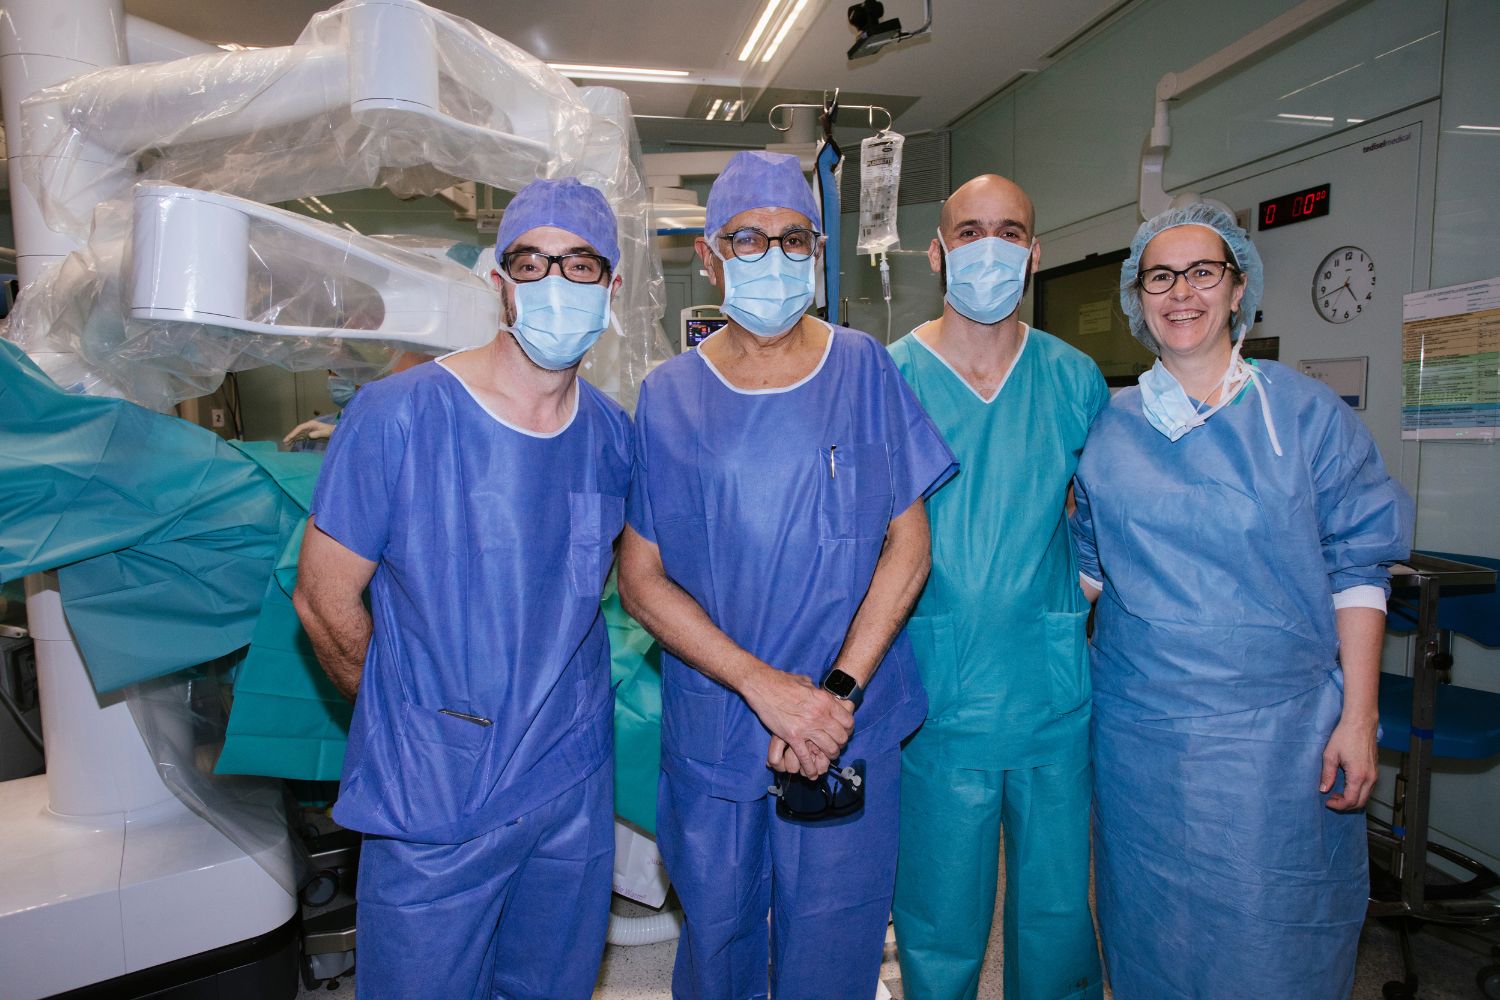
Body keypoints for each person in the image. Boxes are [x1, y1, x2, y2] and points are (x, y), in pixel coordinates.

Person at [617, 150, 957, 1000]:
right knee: (720, 933)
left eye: (793, 239)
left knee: (832, 941)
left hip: (845, 724)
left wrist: (832, 696)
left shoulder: (865, 368)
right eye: (748, 239)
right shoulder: (667, 395)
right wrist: (767, 691)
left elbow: (906, 547)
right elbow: (642, 576)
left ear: (817, 251)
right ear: (709, 255)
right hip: (722, 722)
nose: (773, 257)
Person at [293, 177, 633, 1000]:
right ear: (500, 283)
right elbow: (323, 600)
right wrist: (407, 720)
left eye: (579, 264)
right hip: (436, 798)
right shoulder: (399, 415)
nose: (555, 282)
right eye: (531, 262)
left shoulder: (614, 434)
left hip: (568, 788)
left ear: (612, 286)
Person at [1069, 203, 1414, 999]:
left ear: (1237, 289)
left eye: (1202, 272)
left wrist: (1358, 720)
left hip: (1276, 739)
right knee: (1147, 928)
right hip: (1139, 735)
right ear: (1138, 295)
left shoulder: (1302, 416)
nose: (1180, 291)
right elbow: (1087, 570)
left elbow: (1358, 568)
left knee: (1272, 935)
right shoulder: (1109, 427)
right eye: (1161, 275)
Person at [887, 174, 1107, 1000]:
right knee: (939, 916)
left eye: (1009, 231)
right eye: (970, 230)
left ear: (1034, 253)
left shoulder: (1074, 378)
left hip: (1049, 688)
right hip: (937, 691)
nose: (990, 247)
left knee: (1056, 913)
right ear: (939, 251)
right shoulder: (891, 375)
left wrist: (1079, 587)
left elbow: (1102, 513)